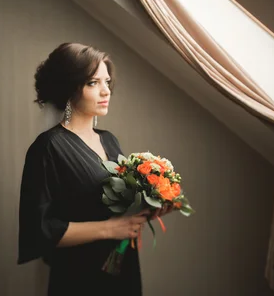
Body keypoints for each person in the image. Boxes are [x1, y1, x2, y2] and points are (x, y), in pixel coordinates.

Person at [17, 43, 171, 296]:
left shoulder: (109, 140)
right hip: (79, 277)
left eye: (107, 82)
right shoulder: (47, 148)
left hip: (122, 270)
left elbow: (114, 205)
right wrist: (110, 229)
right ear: (68, 88)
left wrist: (150, 206)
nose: (105, 91)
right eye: (92, 83)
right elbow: (40, 230)